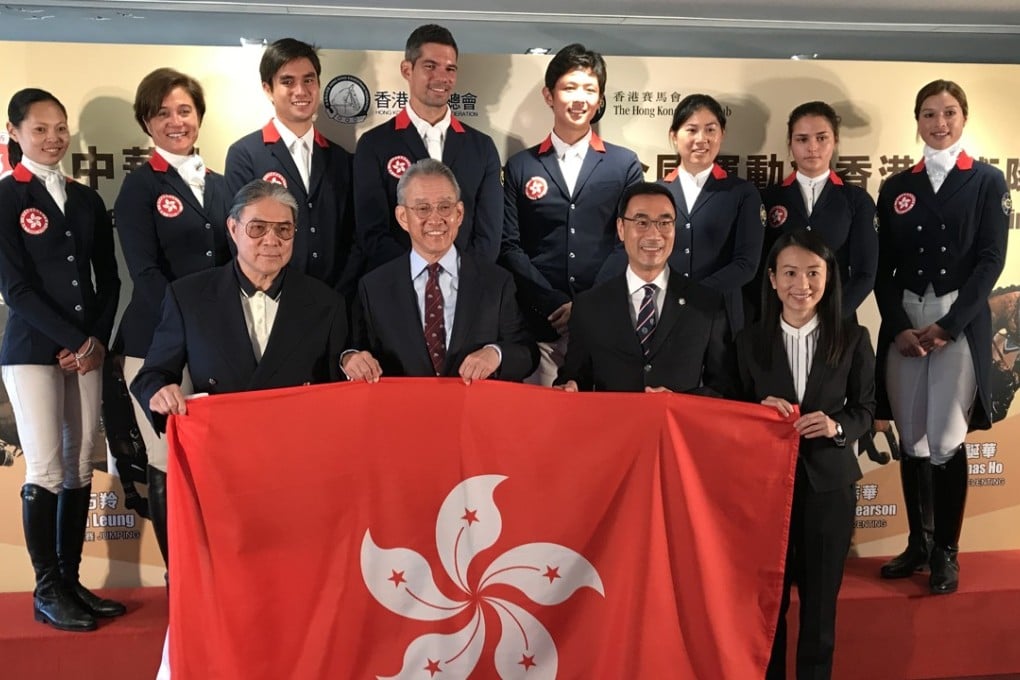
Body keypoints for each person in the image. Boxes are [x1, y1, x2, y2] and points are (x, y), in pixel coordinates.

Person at [874, 79, 1010, 594]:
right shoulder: (894, 186)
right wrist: (899, 326)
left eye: (949, 113)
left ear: (963, 117)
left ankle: (947, 552)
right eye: (929, 114)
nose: (939, 123)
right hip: (906, 320)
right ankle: (918, 542)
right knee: (912, 438)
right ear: (917, 120)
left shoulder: (987, 181)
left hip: (958, 318)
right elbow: (881, 267)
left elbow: (990, 262)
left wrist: (950, 326)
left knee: (947, 441)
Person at [0, 88, 123, 631]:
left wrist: (94, 341)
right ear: (15, 133)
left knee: (79, 466)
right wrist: (73, 341)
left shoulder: (86, 199)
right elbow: (15, 289)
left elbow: (109, 279)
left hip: (86, 352)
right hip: (31, 350)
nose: (53, 139)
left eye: (60, 128)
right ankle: (46, 589)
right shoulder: (4, 198)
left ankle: (71, 579)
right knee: (47, 466)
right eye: (39, 129)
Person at [734, 229, 876, 680]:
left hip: (828, 489)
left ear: (829, 278)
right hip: (762, 494)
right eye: (790, 273)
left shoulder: (852, 339)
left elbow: (866, 411)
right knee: (766, 609)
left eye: (813, 273)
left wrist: (837, 426)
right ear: (772, 280)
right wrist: (753, 412)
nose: (802, 285)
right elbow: (725, 407)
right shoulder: (747, 341)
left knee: (818, 613)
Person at [114, 67, 232, 569]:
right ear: (147, 122)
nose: (175, 121)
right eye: (162, 112)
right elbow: (145, 272)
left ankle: (214, 572)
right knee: (166, 462)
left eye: (184, 110)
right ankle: (178, 579)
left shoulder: (225, 187)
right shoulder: (139, 188)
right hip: (154, 347)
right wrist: (194, 324)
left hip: (217, 347)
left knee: (214, 464)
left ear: (199, 118)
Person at [131, 179, 348, 433]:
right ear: (233, 229)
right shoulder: (189, 297)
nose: (271, 240)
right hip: (221, 444)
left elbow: (339, 391)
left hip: (296, 446)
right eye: (258, 228)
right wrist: (159, 392)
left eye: (284, 230)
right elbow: (153, 374)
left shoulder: (326, 302)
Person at [501, 43, 643, 386]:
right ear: (549, 95)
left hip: (606, 320)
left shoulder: (624, 164)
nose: (580, 99)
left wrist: (587, 306)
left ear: (601, 98)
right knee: (542, 425)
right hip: (539, 322)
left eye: (590, 89)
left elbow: (632, 241)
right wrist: (553, 302)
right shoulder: (521, 165)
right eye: (569, 87)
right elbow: (509, 245)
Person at [343, 159, 537, 382]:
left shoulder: (496, 282)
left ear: (460, 213)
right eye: (423, 209)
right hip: (402, 413)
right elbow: (353, 352)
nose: (435, 219)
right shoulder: (374, 287)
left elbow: (527, 353)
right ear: (403, 217)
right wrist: (351, 359)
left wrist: (496, 354)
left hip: (475, 413)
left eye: (444, 207)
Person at [555, 182, 731, 394]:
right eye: (642, 222)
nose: (654, 235)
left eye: (664, 223)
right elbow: (574, 376)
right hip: (614, 425)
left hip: (678, 426)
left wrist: (676, 403)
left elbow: (725, 388)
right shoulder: (590, 305)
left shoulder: (706, 304)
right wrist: (571, 386)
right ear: (621, 228)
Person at [354, 24, 502, 273]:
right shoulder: (374, 144)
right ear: (407, 69)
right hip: (398, 288)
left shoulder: (482, 147)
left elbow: (489, 237)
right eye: (430, 66)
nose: (442, 78)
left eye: (450, 69)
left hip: (468, 288)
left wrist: (457, 279)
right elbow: (372, 233)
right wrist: (423, 276)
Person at [224, 38, 356, 292]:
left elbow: (353, 234)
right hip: (271, 296)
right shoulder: (246, 154)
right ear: (268, 89)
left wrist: (339, 292)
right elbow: (239, 235)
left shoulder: (340, 158)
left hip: (335, 299)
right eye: (287, 82)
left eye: (309, 80)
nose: (301, 91)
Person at [755, 101, 877, 321]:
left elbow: (865, 274)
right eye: (802, 139)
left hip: (838, 322)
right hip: (779, 322)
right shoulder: (769, 198)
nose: (812, 147)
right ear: (790, 143)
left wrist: (830, 318)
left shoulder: (856, 200)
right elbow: (760, 269)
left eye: (821, 138)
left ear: (835, 141)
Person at [659, 94, 763, 332]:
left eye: (710, 130)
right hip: (664, 309)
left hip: (720, 315)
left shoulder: (742, 192)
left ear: (722, 134)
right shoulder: (656, 193)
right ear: (674, 136)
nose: (701, 139)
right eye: (691, 130)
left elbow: (746, 263)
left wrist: (694, 295)